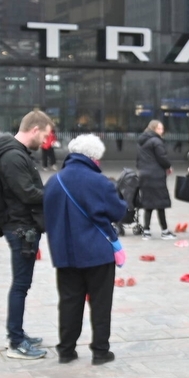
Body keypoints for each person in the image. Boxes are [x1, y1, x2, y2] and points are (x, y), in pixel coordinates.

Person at [43, 134, 126, 365]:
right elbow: (119, 212)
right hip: (97, 252)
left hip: (64, 252)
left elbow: (45, 215)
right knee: (100, 302)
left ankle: (66, 350)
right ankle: (100, 351)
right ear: (93, 157)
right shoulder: (99, 182)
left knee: (69, 301)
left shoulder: (54, 181)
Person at [0, 111, 53, 359]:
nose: (45, 142)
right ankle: (15, 342)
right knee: (20, 285)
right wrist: (55, 193)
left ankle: (18, 333)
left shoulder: (15, 153)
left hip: (21, 225)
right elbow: (27, 193)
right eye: (45, 136)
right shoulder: (13, 156)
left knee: (22, 284)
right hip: (20, 227)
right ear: (35, 129)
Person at [136, 120, 174, 240]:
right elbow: (162, 157)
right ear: (153, 129)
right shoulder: (156, 141)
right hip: (156, 175)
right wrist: (168, 166)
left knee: (148, 204)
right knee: (160, 203)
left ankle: (146, 231)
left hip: (144, 174)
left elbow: (138, 159)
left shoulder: (141, 141)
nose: (161, 131)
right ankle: (165, 231)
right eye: (159, 129)